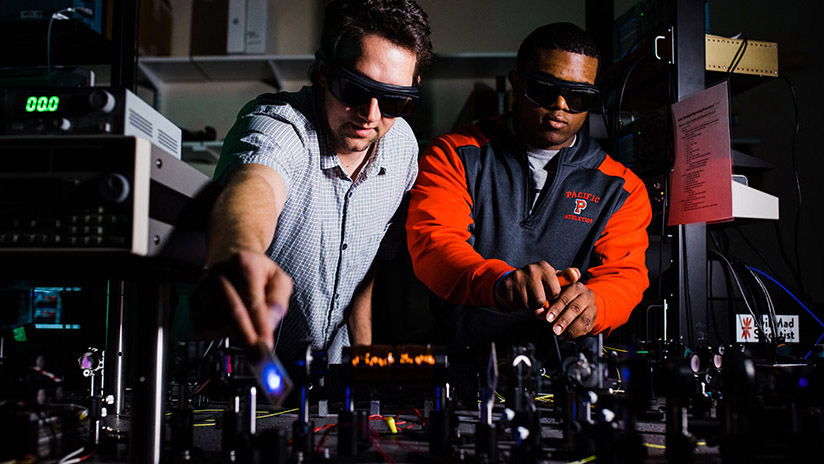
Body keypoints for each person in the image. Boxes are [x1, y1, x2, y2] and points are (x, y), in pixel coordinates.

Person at [192, 0, 433, 364]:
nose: (371, 115)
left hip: (326, 372)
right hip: (237, 369)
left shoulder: (402, 148)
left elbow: (367, 269)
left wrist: (362, 362)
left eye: (393, 101)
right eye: (353, 89)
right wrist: (238, 253)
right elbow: (254, 187)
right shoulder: (279, 125)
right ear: (323, 70)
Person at [406, 22, 651, 355]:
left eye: (578, 96)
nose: (561, 105)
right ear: (517, 84)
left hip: (565, 374)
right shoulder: (455, 155)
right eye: (544, 90)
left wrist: (599, 303)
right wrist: (499, 282)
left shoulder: (622, 188)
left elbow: (625, 275)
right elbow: (434, 245)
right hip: (463, 361)